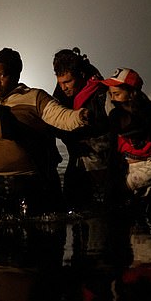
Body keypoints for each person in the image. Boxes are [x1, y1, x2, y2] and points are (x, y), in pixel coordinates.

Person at [0, 48, 90, 216]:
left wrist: (81, 115)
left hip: (30, 187)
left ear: (15, 75)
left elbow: (62, 117)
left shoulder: (35, 97)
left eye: (2, 75)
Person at [52, 47, 113, 210]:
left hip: (102, 166)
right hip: (76, 162)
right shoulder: (60, 95)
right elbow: (54, 122)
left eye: (67, 82)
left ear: (81, 75)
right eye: (60, 82)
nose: (64, 87)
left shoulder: (103, 94)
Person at [104, 67, 151, 200]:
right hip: (130, 170)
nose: (113, 99)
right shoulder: (115, 116)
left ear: (132, 94)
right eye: (111, 94)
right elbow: (113, 155)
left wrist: (128, 185)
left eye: (117, 94)